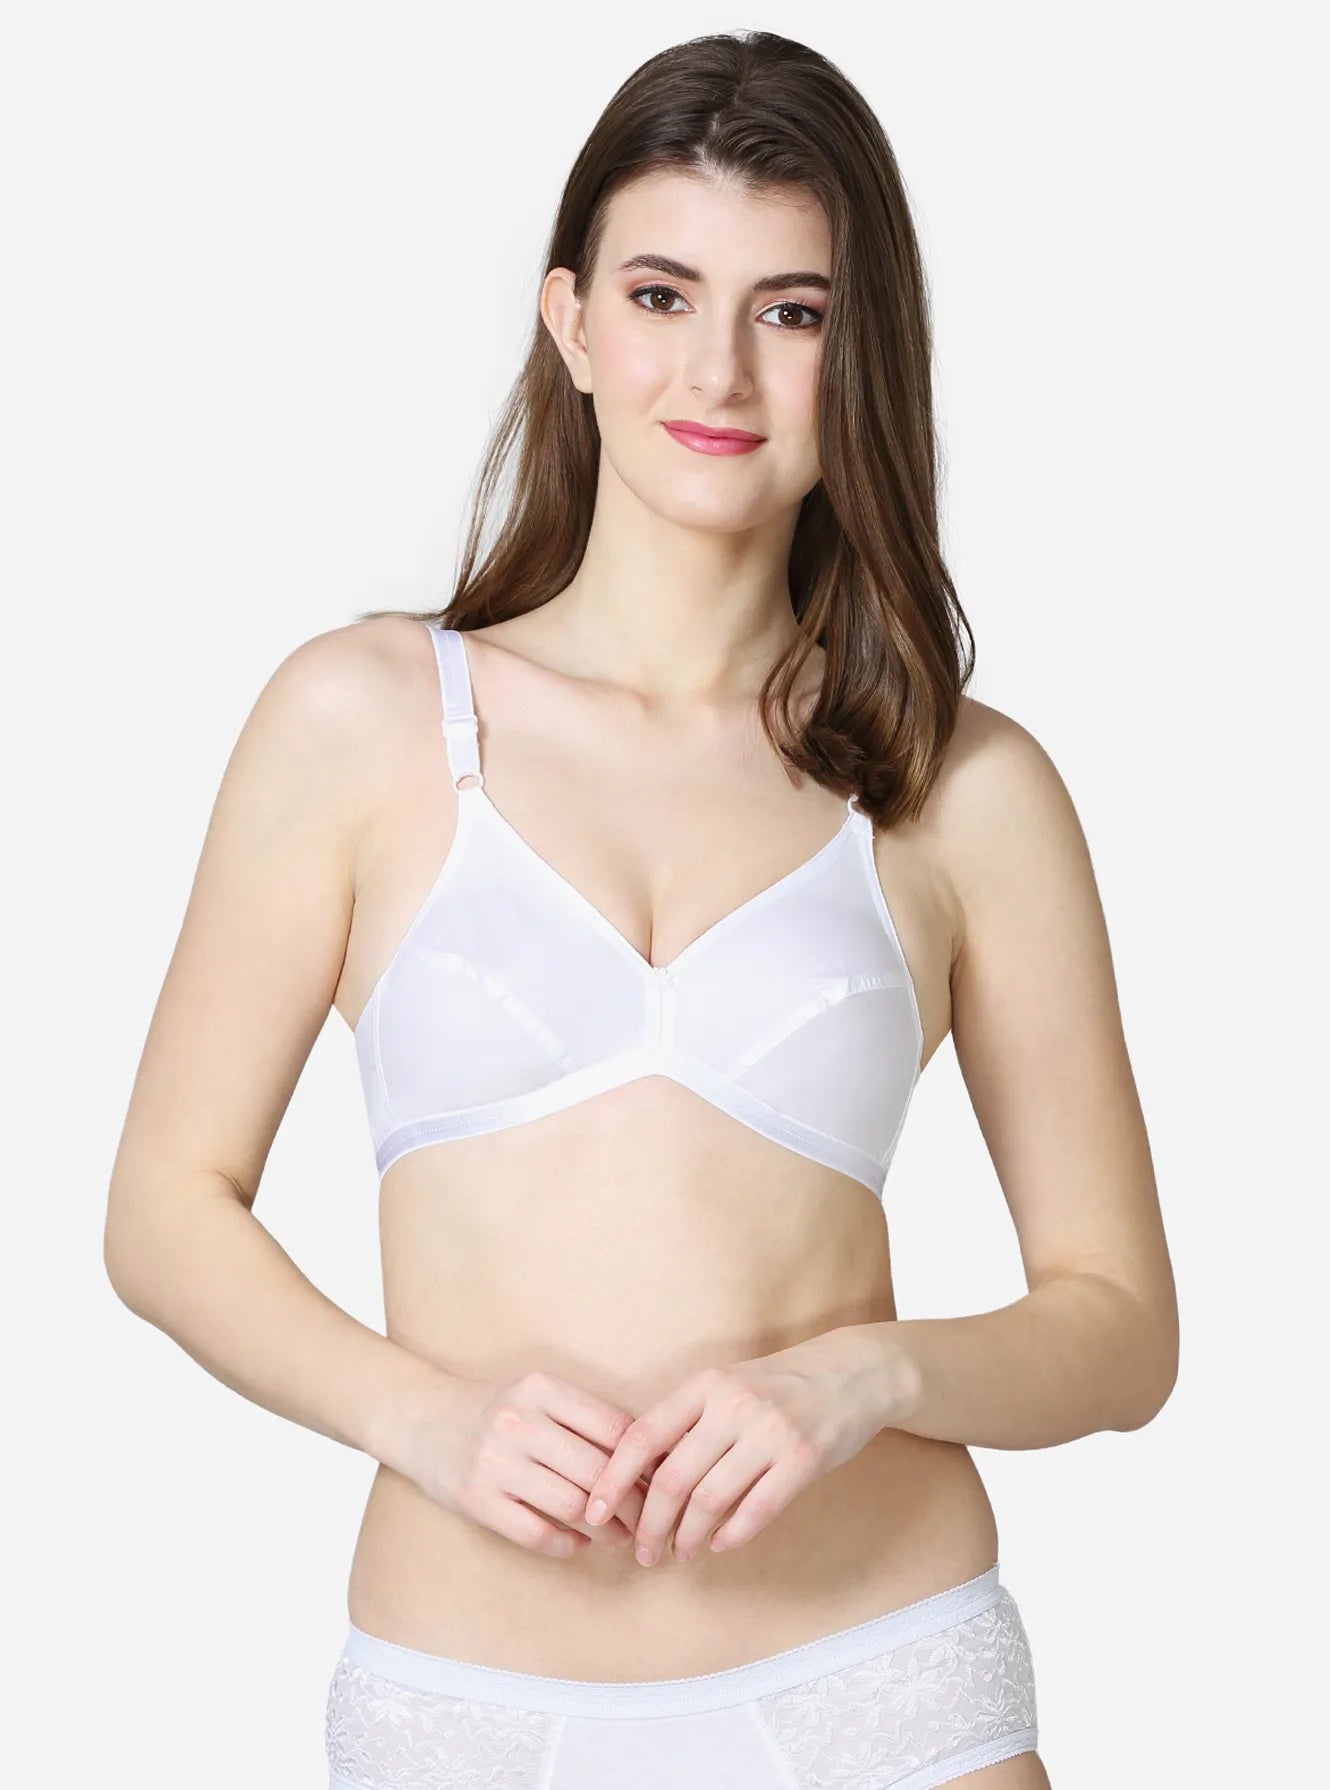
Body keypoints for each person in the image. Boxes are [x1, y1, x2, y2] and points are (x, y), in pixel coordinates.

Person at [103, 29, 1178, 1790]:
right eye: (662, 294)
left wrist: (864, 1377)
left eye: (791, 312)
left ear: (860, 351)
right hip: (470, 1699)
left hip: (883, 1680)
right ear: (572, 322)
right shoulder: (363, 722)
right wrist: (419, 1414)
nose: (720, 371)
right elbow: (162, 1207)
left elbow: (1121, 1324)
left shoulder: (961, 786)